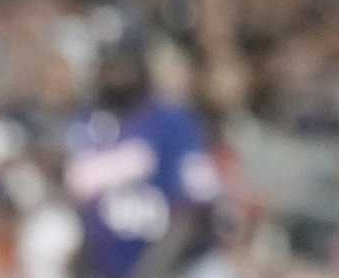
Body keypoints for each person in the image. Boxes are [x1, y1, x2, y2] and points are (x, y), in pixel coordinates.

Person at [62, 29, 222, 278]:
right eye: (110, 65)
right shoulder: (85, 122)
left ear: (142, 67)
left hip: (176, 265)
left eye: (124, 64)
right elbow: (74, 207)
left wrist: (147, 273)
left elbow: (193, 215)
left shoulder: (174, 120)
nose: (116, 73)